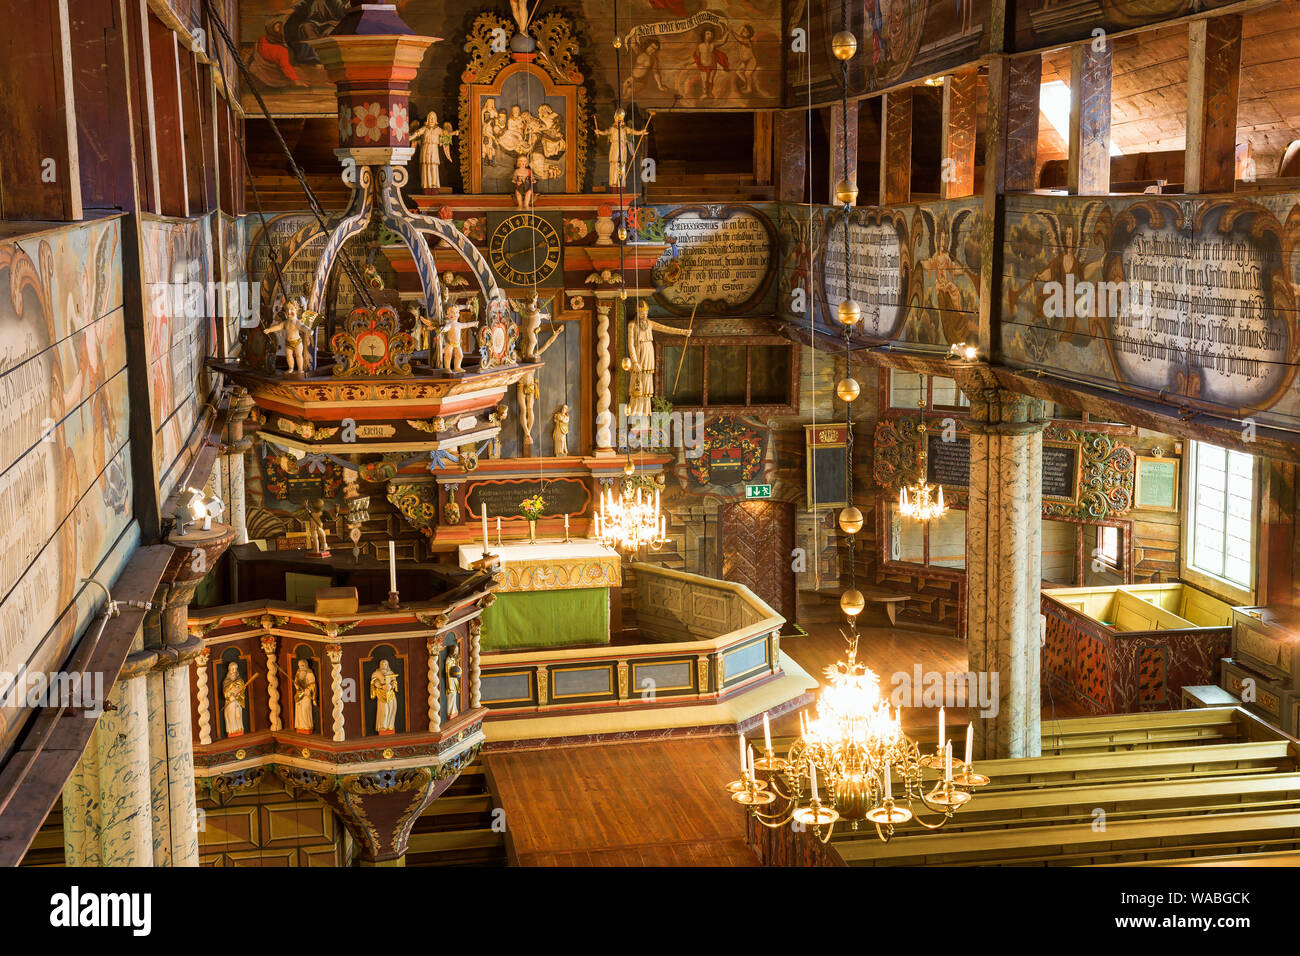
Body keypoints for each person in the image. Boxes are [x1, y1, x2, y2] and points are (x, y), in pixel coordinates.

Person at [370, 660, 399, 734]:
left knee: (391, 710)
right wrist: (382, 686)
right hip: (381, 693)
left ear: (387, 665)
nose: (383, 665)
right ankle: (382, 727)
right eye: (382, 664)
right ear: (379, 665)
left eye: (385, 664)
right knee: (384, 712)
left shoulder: (391, 673)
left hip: (390, 693)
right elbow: (374, 682)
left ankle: (390, 726)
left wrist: (391, 686)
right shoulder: (376, 673)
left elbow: (394, 681)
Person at [292, 659, 317, 733]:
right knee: (299, 710)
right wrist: (296, 685)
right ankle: (300, 727)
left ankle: (307, 727)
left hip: (306, 694)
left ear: (306, 665)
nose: (300, 667)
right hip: (299, 694)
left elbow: (312, 684)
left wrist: (308, 690)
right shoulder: (298, 672)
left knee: (305, 710)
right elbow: (296, 681)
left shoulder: (309, 673)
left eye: (302, 665)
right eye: (299, 666)